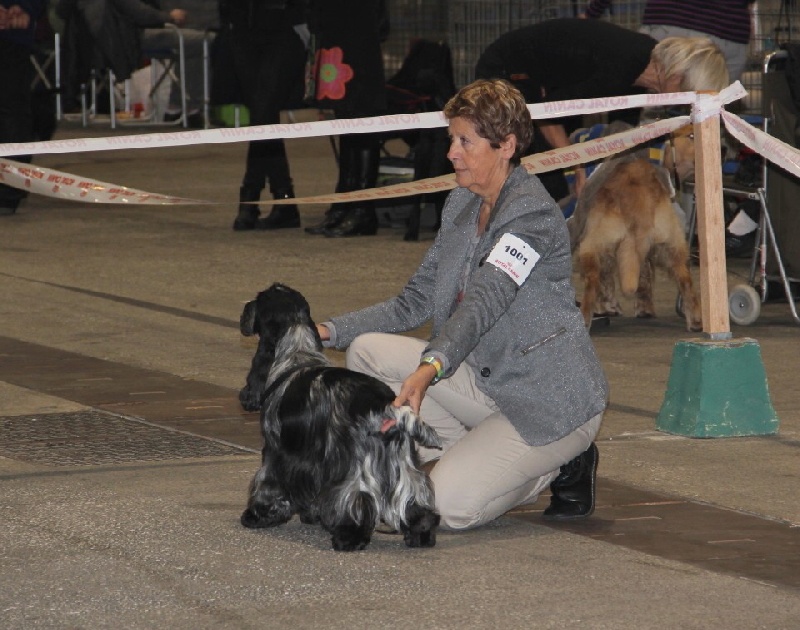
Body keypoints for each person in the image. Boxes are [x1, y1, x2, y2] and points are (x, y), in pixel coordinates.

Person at [316, 79, 609, 531]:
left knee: (446, 508)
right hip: (484, 380)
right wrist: (326, 331)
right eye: (451, 139)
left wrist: (431, 365)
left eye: (465, 141)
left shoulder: (531, 215)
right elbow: (414, 301)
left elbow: (486, 298)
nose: (452, 152)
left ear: (506, 145)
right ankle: (486, 454)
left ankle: (556, 463)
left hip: (545, 399)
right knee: (365, 354)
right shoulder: (460, 202)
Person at [474, 17, 729, 201]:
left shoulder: (641, 77)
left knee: (561, 176)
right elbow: (546, 111)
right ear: (678, 72)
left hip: (548, 84)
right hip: (508, 68)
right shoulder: (622, 66)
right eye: (687, 92)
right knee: (548, 179)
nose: (684, 101)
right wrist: (576, 166)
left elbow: (619, 136)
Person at [303, 0, 389, 238]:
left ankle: (362, 210)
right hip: (336, 40)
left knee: (362, 123)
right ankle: (344, 203)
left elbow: (381, 21)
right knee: (346, 124)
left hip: (359, 39)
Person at [227, 0, 308, 231]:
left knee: (263, 111)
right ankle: (283, 200)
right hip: (243, 27)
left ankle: (251, 198)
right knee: (263, 116)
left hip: (286, 24)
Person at [581, 0, 755, 82]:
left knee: (651, 114)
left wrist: (591, 14)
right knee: (714, 115)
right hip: (728, 31)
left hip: (670, 22)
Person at [0, 0, 46, 215]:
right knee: (13, 113)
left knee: (13, 113)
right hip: (14, 33)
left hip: (13, 35)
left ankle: (9, 191)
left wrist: (24, 7)